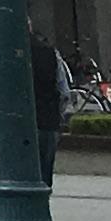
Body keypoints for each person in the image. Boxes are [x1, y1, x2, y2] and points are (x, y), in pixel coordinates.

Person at [25, 32, 70, 191]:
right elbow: (64, 92)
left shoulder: (3, 53)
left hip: (17, 124)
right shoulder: (50, 53)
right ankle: (42, 210)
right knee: (45, 174)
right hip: (47, 120)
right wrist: (58, 114)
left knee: (19, 175)